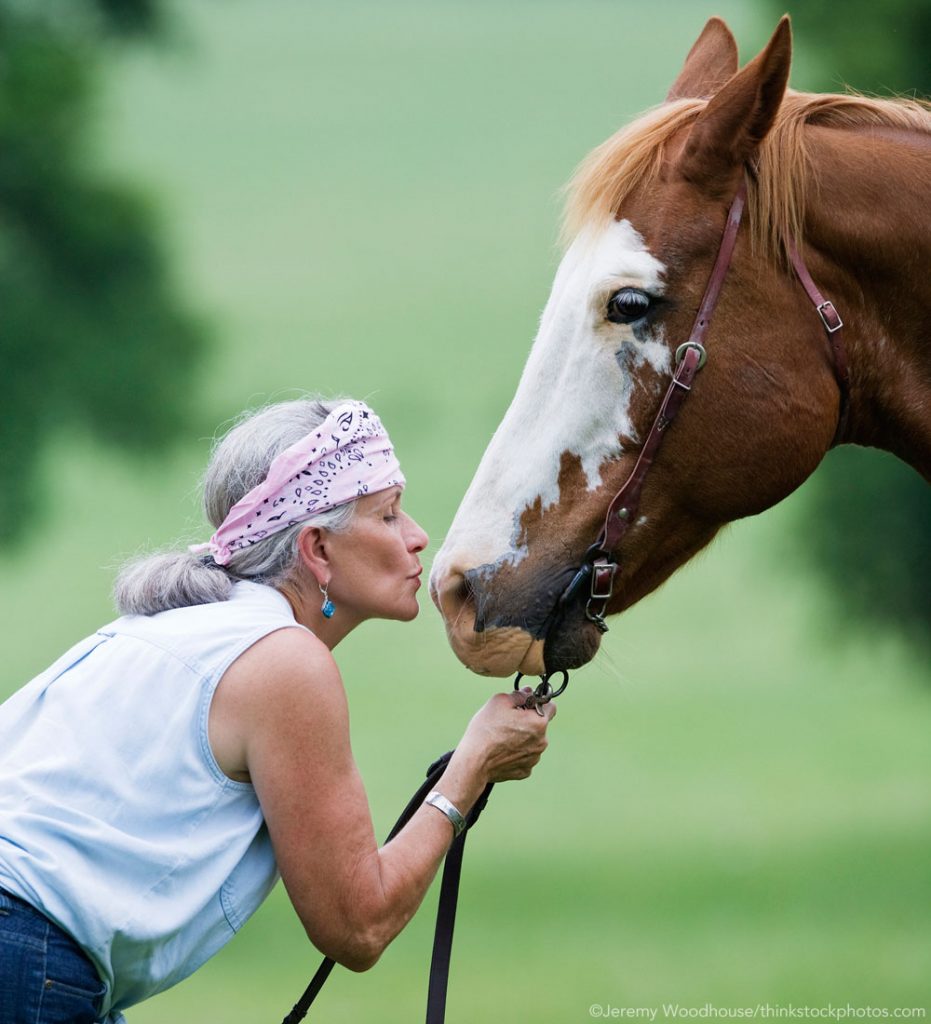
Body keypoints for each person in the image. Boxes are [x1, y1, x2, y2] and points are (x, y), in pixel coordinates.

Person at [0, 396, 555, 1024]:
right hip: (24, 951)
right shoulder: (284, 660)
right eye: (389, 514)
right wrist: (473, 765)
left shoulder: (171, 630)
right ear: (316, 549)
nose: (417, 536)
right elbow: (358, 924)